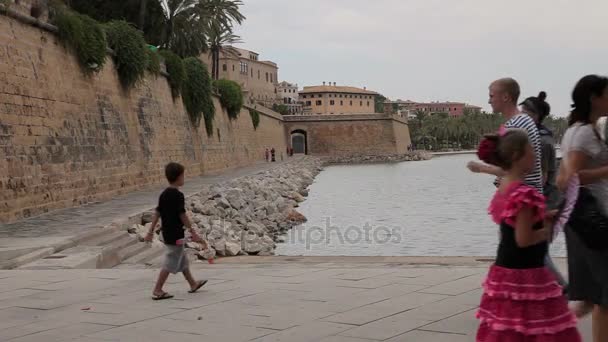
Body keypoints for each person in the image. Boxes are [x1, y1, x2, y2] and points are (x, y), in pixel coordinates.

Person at [475, 129, 580, 342]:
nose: (535, 155)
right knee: (540, 326)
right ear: (516, 156)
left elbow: (511, 223)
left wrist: (542, 215)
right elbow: (523, 240)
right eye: (531, 150)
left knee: (510, 328)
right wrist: (546, 230)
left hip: (504, 272)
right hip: (526, 275)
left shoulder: (505, 188)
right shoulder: (525, 194)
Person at [557, 75, 608, 341]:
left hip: (580, 220)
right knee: (603, 300)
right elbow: (570, 178)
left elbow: (561, 178)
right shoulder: (585, 132)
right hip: (592, 222)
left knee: (589, 299)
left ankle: (544, 329)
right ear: (594, 98)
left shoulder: (577, 130)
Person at [519, 91, 568, 290]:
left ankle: (562, 287)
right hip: (536, 198)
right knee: (533, 249)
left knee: (538, 250)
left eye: (524, 112)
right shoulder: (534, 136)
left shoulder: (543, 141)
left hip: (545, 200)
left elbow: (543, 177)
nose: (521, 115)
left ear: (535, 115)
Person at [468, 78, 543, 194]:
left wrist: (480, 168)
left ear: (505, 97)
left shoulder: (516, 126)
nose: (489, 101)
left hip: (523, 197)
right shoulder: (523, 120)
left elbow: (514, 169)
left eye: (492, 96)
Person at [145, 162, 208, 300]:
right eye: (183, 175)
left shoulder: (163, 194)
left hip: (167, 232)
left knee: (182, 259)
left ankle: (193, 283)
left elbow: (157, 212)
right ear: (179, 177)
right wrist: (193, 231)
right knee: (171, 261)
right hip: (175, 234)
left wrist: (150, 231)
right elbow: (182, 215)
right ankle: (157, 289)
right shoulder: (178, 195)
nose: (184, 178)